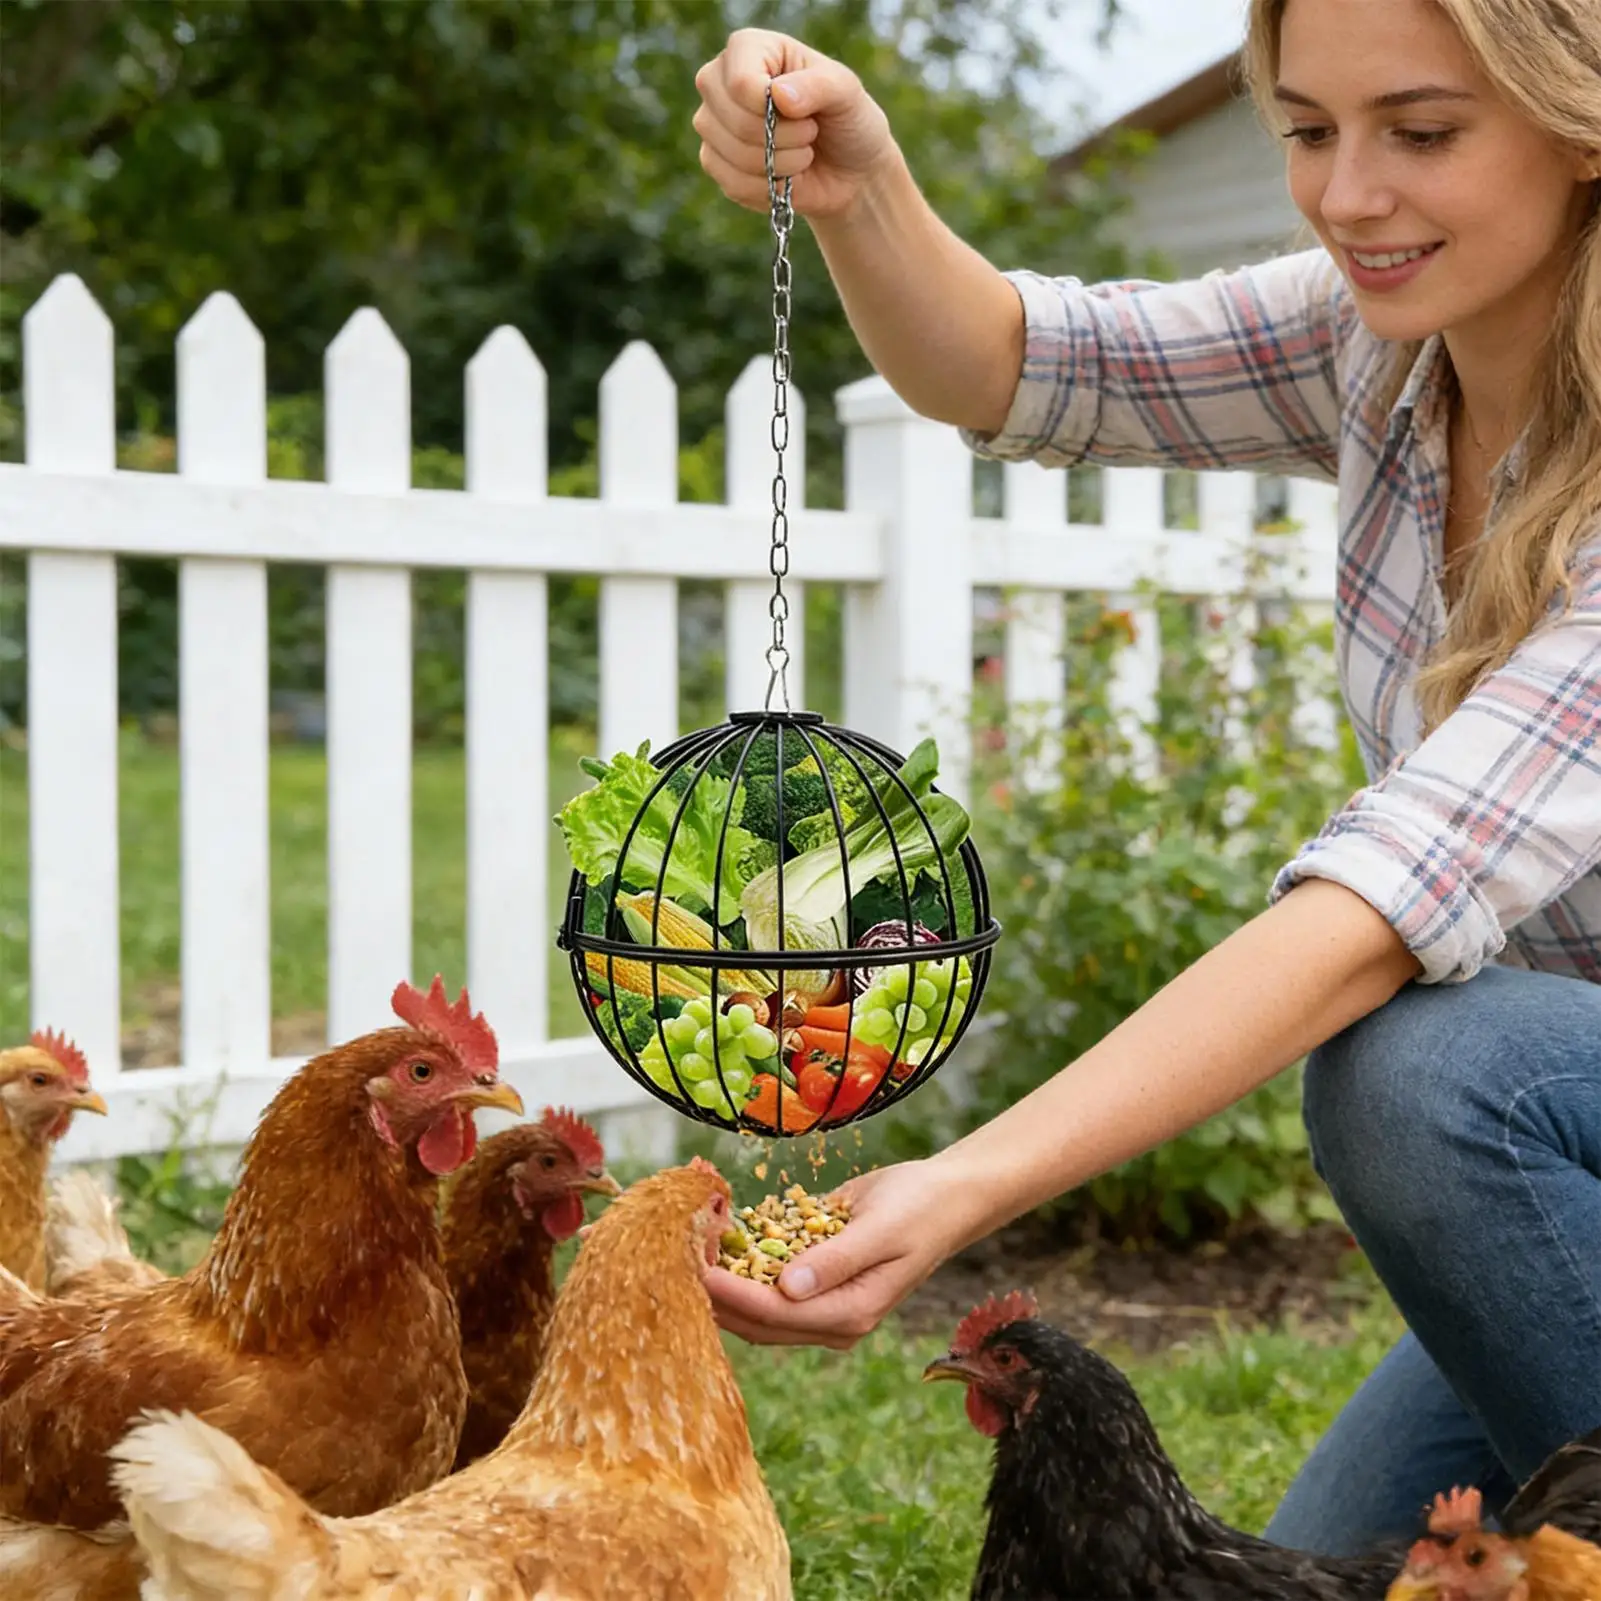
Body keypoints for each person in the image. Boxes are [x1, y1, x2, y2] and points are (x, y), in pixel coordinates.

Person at [692, 0, 1601, 1558]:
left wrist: (963, 1185)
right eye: (1310, 130)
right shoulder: (1380, 348)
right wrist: (864, 190)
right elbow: (1018, 365)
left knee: (1422, 1075)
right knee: (1330, 1578)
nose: (1349, 194)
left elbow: (1386, 905)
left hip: (1529, 1088)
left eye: (1423, 132)